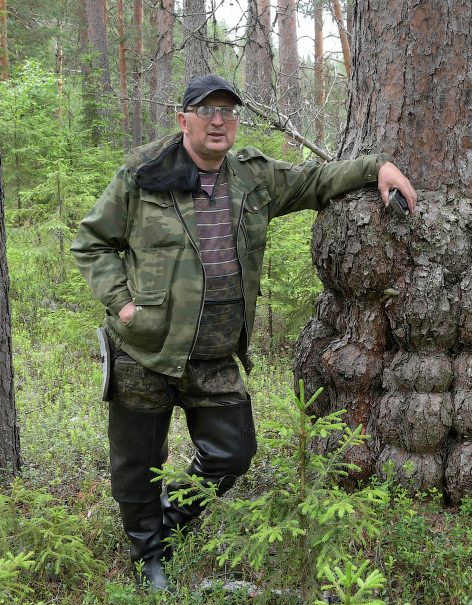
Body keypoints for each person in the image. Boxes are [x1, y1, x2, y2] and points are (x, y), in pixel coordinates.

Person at [71, 74, 417, 591]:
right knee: (137, 461)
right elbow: (92, 242)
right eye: (206, 110)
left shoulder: (252, 178)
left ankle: (164, 527)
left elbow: (315, 181)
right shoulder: (143, 175)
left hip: (214, 353)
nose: (218, 120)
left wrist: (376, 167)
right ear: (183, 118)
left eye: (227, 111)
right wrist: (122, 304)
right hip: (145, 349)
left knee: (233, 454)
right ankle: (147, 558)